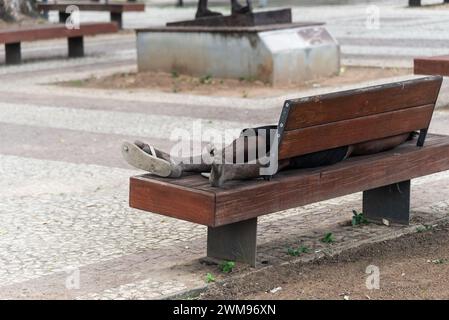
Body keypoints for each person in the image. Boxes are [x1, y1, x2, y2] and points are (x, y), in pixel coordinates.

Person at [121, 124, 416, 187]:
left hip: (299, 129)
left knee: (262, 138)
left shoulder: (380, 115)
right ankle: (232, 170)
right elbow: (364, 146)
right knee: (284, 155)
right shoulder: (401, 129)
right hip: (328, 146)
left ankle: (182, 164)